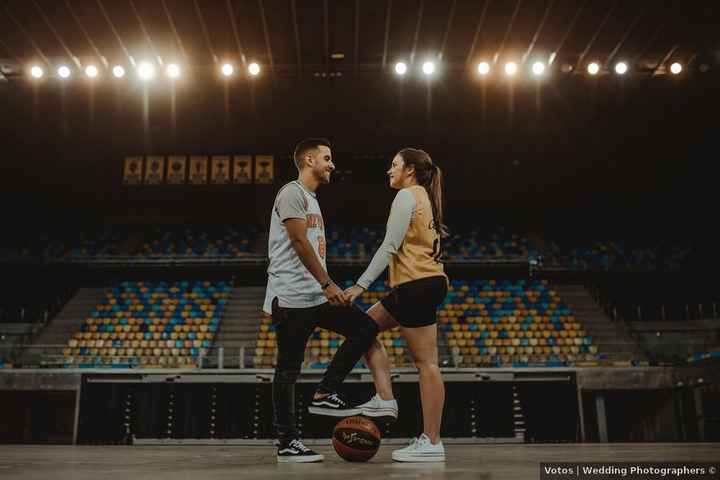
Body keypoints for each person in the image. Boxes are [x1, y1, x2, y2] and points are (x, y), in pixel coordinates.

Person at [263, 138, 379, 463]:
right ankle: (287, 442)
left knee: (365, 327)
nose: (332, 164)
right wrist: (327, 283)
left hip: (315, 295)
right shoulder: (292, 193)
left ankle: (326, 391)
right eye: (327, 158)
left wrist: (324, 288)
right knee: (287, 371)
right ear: (309, 159)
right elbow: (299, 241)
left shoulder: (312, 199)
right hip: (291, 298)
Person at [344, 148, 449, 462]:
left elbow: (389, 246)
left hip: (415, 285)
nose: (389, 171)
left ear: (410, 170)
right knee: (361, 327)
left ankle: (431, 441)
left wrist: (361, 285)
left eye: (394, 165)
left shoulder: (406, 197)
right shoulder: (425, 198)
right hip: (420, 284)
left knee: (427, 364)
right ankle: (385, 398)